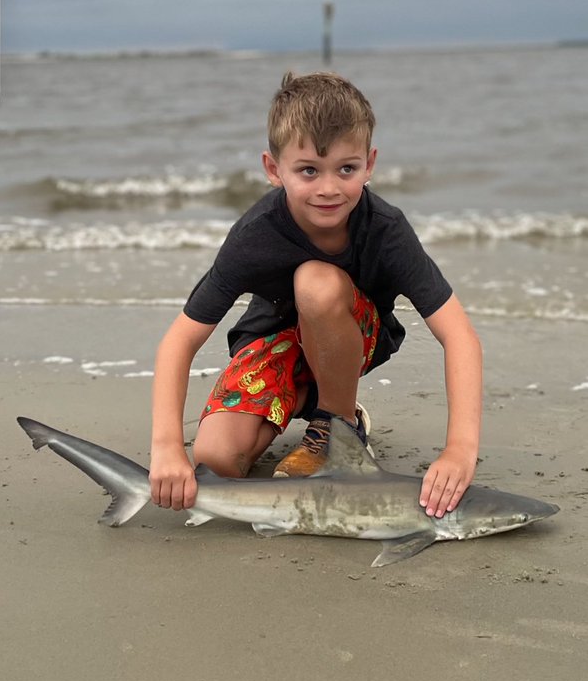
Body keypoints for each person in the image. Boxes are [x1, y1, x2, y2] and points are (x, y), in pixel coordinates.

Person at [149, 71, 482, 520]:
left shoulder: (386, 230)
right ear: (273, 169)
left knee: (315, 282)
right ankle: (308, 401)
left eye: (347, 168)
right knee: (218, 461)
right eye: (308, 170)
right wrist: (168, 448)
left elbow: (459, 335)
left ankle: (337, 426)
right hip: (277, 344)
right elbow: (179, 341)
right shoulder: (254, 236)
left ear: (370, 163)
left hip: (351, 336)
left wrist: (459, 450)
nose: (329, 188)